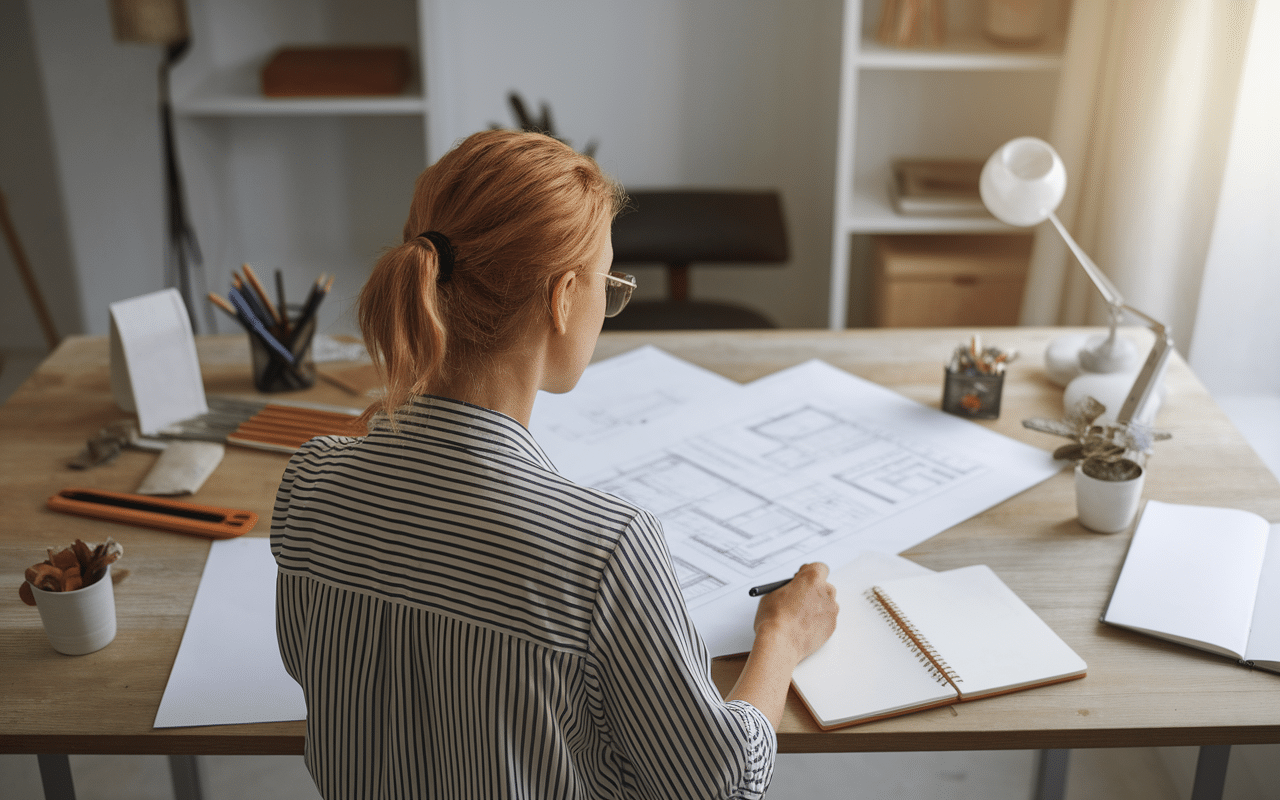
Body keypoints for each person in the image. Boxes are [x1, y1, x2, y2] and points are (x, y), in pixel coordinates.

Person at [271, 129, 839, 799]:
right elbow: (715, 784)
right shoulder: (606, 547)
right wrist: (782, 635)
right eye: (609, 283)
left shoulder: (310, 481)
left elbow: (313, 667)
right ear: (564, 297)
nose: (608, 304)